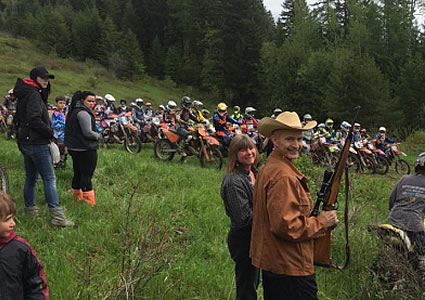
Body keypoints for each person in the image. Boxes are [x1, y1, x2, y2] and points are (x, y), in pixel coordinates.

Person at [250, 111, 339, 300]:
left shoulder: (272, 167)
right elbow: (286, 226)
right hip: (290, 267)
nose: (297, 145)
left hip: (277, 263)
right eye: (290, 139)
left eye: (299, 139)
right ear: (275, 140)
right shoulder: (284, 176)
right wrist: (322, 221)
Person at [14, 66, 74, 227]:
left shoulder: (26, 92)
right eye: (43, 78)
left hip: (25, 140)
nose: (46, 81)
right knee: (49, 178)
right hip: (36, 141)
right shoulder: (33, 94)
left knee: (31, 178)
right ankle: (57, 218)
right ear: (34, 78)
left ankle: (30, 211)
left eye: (47, 78)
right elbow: (34, 119)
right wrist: (49, 132)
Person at [221, 134, 260, 300]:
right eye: (243, 150)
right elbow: (243, 218)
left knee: (253, 282)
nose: (249, 152)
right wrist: (271, 217)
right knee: (246, 288)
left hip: (256, 236)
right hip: (243, 239)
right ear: (234, 154)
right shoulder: (233, 181)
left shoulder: (254, 173)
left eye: (251, 148)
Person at [0, 193, 49, 299]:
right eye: (7, 219)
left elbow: (35, 283)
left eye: (12, 218)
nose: (13, 223)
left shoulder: (20, 249)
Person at [388, 152, 425, 280]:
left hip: (393, 220)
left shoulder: (404, 178)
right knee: (422, 255)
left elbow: (391, 200)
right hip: (413, 224)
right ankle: (419, 279)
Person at [65, 91, 101, 207]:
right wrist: (98, 136)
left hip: (74, 148)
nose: (92, 104)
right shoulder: (83, 113)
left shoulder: (73, 111)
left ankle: (76, 198)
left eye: (93, 101)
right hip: (86, 148)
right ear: (82, 100)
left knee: (77, 173)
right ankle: (89, 203)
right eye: (89, 101)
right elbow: (88, 133)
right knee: (86, 175)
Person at [51, 96, 67, 168]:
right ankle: (56, 163)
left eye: (64, 103)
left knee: (63, 149)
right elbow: (54, 124)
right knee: (57, 149)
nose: (62, 105)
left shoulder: (63, 113)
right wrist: (64, 126)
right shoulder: (56, 113)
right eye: (60, 103)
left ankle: (62, 162)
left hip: (63, 135)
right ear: (56, 103)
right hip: (57, 134)